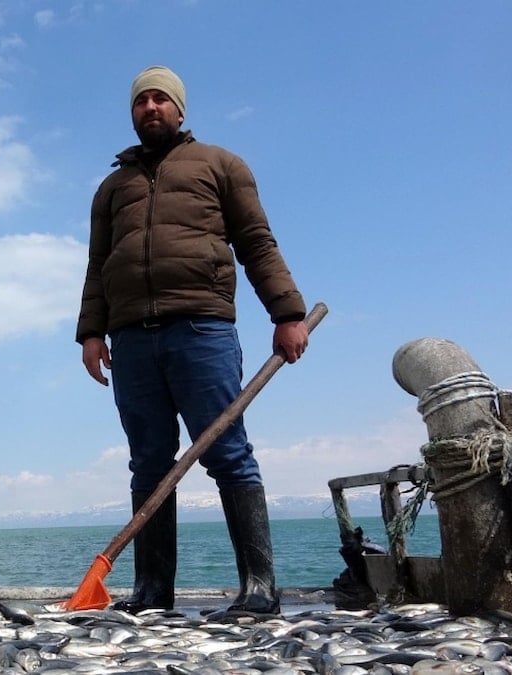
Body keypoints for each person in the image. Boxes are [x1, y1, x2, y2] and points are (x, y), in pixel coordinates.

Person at [76, 66, 309, 616]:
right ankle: (153, 591)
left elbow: (256, 241)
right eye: (141, 101)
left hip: (202, 329)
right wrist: (90, 332)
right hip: (130, 340)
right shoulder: (112, 188)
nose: (150, 108)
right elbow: (96, 266)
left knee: (228, 454)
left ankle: (259, 588)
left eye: (160, 100)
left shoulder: (221, 165)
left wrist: (287, 312)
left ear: (180, 110)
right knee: (148, 463)